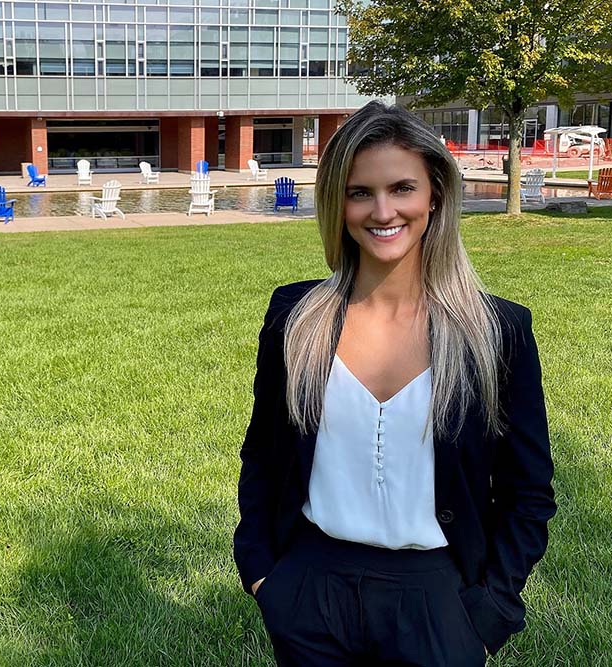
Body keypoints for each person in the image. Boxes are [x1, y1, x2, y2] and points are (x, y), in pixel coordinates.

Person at [233, 102, 556, 667]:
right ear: (338, 204)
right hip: (312, 590)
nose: (383, 211)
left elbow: (529, 492)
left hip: (435, 598)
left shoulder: (496, 331)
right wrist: (263, 574)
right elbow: (263, 454)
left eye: (402, 187)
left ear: (434, 194)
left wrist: (490, 614)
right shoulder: (295, 317)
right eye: (360, 192)